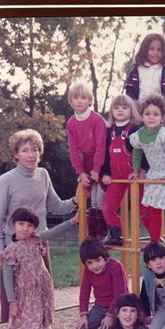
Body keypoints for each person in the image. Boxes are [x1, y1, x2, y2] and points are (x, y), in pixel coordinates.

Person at [0, 128, 78, 329]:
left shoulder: (43, 175)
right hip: (14, 248)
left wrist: (77, 200)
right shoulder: (6, 180)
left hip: (39, 246)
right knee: (17, 297)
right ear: (16, 154)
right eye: (25, 150)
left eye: (35, 149)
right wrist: (1, 249)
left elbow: (57, 206)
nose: (31, 154)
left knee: (42, 294)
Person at [0, 207, 79, 329]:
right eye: (21, 224)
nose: (25, 228)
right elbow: (7, 277)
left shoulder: (37, 240)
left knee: (45, 325)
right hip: (26, 296)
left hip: (43, 291)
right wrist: (12, 301)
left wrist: (72, 221)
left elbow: (52, 232)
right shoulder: (10, 250)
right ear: (13, 224)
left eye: (30, 225)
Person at [61, 238, 129, 329]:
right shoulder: (88, 271)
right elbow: (84, 291)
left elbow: (120, 294)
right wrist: (83, 314)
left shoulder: (115, 266)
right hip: (99, 306)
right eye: (90, 263)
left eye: (98, 260)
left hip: (118, 307)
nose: (94, 266)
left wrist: (111, 315)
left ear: (105, 257)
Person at [129, 94, 165, 253]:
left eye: (156, 114)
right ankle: (154, 240)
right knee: (154, 209)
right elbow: (136, 153)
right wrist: (135, 171)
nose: (151, 117)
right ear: (142, 116)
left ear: (162, 118)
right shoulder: (139, 135)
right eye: (147, 114)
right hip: (155, 174)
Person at [100, 94, 150, 246]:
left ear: (131, 110)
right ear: (111, 111)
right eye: (116, 108)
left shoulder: (136, 128)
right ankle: (117, 236)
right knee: (107, 207)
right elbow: (105, 155)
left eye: (124, 107)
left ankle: (155, 237)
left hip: (134, 176)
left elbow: (144, 151)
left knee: (145, 210)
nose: (120, 110)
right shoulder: (109, 130)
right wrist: (105, 173)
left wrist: (142, 170)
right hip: (116, 178)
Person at [66, 81, 108, 239]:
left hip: (102, 161)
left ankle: (101, 235)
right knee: (88, 200)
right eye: (75, 98)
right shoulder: (71, 123)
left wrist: (97, 169)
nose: (79, 101)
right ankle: (93, 234)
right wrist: (81, 172)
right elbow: (73, 150)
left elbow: (101, 146)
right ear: (71, 101)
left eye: (83, 98)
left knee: (98, 200)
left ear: (89, 100)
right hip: (86, 163)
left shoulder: (96, 120)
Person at [125, 33, 165, 105]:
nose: (155, 53)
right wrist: (133, 104)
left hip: (159, 109)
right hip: (138, 107)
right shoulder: (136, 70)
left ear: (164, 52)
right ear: (144, 50)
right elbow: (129, 89)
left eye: (159, 50)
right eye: (152, 49)